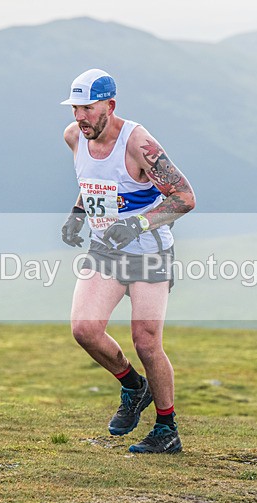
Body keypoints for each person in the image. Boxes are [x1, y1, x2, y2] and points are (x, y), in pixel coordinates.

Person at [60, 68, 196, 454]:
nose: (79, 117)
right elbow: (93, 183)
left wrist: (135, 225)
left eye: (87, 108)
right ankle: (134, 387)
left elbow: (185, 198)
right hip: (105, 249)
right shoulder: (74, 137)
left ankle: (167, 430)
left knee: (147, 342)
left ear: (110, 105)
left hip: (149, 251)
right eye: (74, 108)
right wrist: (77, 213)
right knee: (84, 329)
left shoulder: (139, 143)